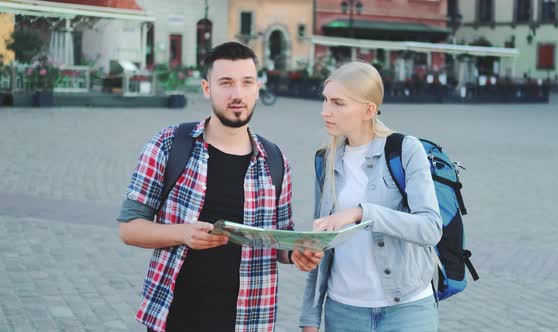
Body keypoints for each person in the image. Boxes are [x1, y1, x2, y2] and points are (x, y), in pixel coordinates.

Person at [117, 41, 322, 332]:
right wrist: (183, 233)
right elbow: (129, 228)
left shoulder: (275, 160)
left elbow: (278, 238)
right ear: (206, 88)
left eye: (246, 82)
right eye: (225, 83)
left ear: (257, 88)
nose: (237, 94)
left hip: (248, 321)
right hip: (175, 319)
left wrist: (296, 252)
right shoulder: (169, 144)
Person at [299, 62, 442, 332]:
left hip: (407, 310)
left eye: (338, 103)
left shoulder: (405, 150)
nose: (325, 111)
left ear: (369, 110)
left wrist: (362, 213)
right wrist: (310, 317)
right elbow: (322, 240)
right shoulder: (325, 159)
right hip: (343, 312)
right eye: (326, 100)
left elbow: (430, 228)